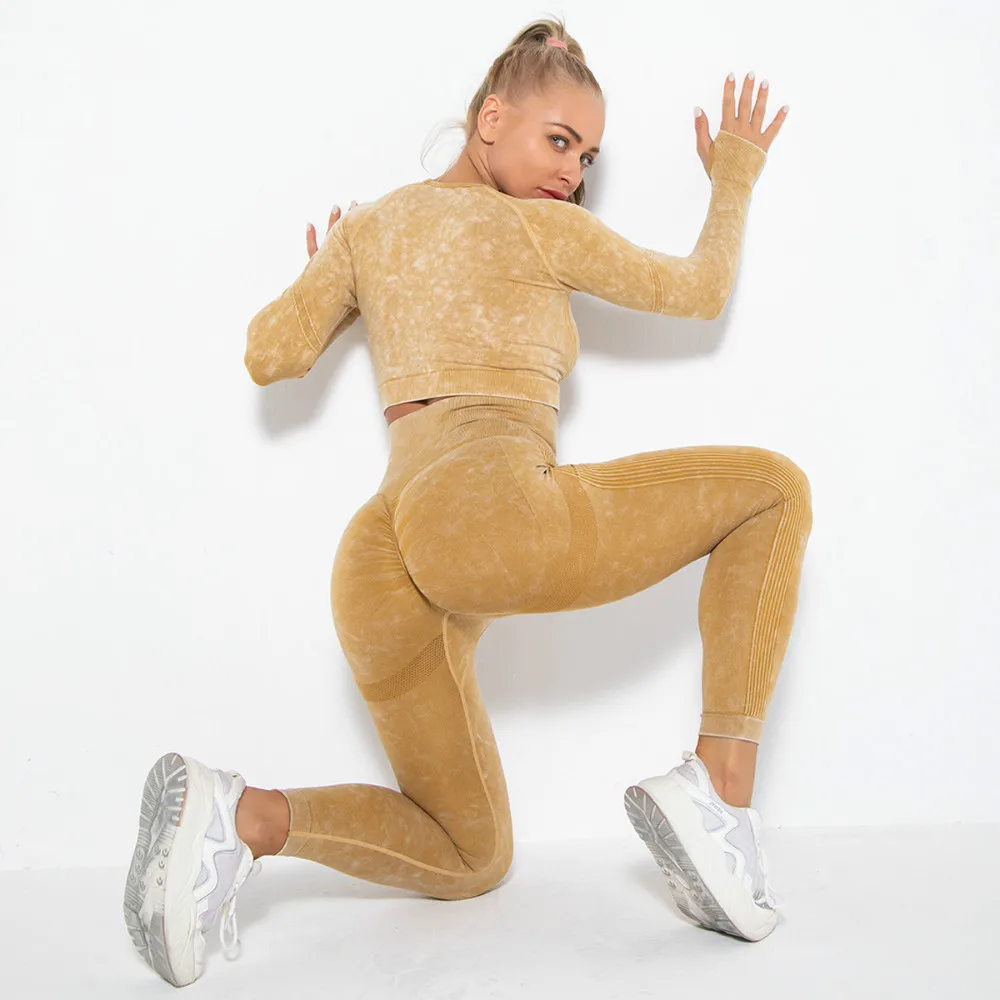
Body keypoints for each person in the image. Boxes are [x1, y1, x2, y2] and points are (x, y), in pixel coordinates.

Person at [123, 17, 808, 987]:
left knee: (469, 852)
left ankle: (239, 816)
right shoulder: (537, 226)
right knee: (772, 491)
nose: (572, 171)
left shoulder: (371, 228)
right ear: (491, 119)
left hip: (378, 557)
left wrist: (340, 277)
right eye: (559, 140)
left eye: (587, 156)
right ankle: (722, 794)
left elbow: (269, 353)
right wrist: (732, 173)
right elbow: (699, 291)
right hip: (482, 507)